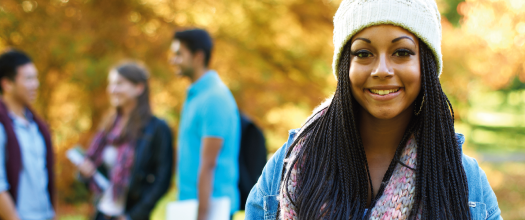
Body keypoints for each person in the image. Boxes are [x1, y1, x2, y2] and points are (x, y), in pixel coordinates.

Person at [245, 0, 502, 219]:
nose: (382, 70)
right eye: (364, 53)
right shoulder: (291, 165)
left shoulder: (464, 180)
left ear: (426, 65)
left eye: (401, 52)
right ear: (346, 65)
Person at [0, 50, 57, 220]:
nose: (36, 84)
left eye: (36, 78)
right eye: (29, 79)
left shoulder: (35, 125)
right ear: (7, 84)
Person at [76, 62, 174, 220]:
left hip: (130, 215)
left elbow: (162, 181)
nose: (112, 90)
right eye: (111, 84)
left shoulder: (157, 129)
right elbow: (97, 173)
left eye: (119, 84)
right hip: (101, 212)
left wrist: (133, 216)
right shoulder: (109, 127)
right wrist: (85, 173)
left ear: (139, 88)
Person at [169, 28, 241, 219]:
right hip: (190, 206)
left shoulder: (214, 98)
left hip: (211, 209)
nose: (172, 60)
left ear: (198, 56)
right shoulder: (195, 95)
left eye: (178, 54)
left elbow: (209, 163)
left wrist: (201, 215)